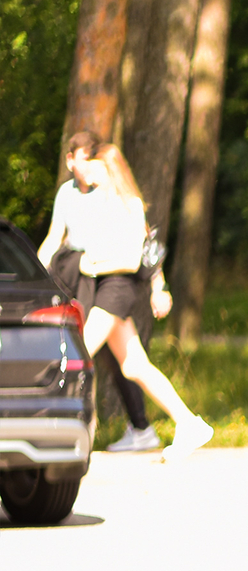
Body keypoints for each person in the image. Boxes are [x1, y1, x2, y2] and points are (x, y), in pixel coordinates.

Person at [36, 134, 211, 458]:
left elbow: (133, 260)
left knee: (79, 354)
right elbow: (60, 238)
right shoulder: (100, 202)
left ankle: (50, 433)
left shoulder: (128, 204)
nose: (90, 175)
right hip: (105, 287)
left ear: (110, 169)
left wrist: (91, 265)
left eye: (97, 168)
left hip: (117, 289)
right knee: (134, 366)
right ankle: (189, 422)